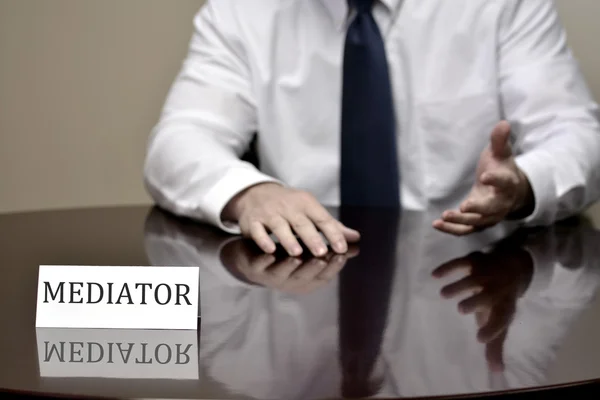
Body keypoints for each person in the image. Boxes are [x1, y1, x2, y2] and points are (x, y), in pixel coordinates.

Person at [144, 0, 600, 257]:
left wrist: (521, 185)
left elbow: (577, 137)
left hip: (469, 278)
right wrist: (251, 193)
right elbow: (179, 142)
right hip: (303, 273)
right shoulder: (240, 13)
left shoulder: (505, 6)